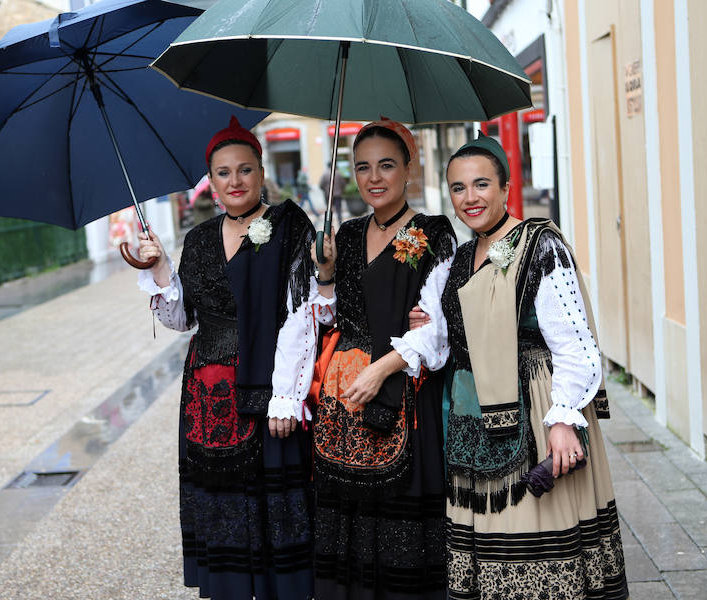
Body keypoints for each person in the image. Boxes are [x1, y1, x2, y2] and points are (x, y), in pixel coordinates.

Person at [411, 133, 629, 599]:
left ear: (508, 187)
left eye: (482, 184)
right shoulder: (462, 257)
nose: (470, 198)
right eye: (458, 187)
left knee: (538, 536)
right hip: (471, 419)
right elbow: (461, 337)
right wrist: (432, 323)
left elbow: (577, 347)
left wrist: (564, 421)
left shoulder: (539, 245)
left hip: (534, 410)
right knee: (488, 549)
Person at [135, 116, 317, 600]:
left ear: (261, 173)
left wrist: (287, 394)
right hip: (207, 397)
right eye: (222, 172)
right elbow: (181, 318)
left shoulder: (290, 224)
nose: (234, 181)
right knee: (223, 513)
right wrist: (158, 268)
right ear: (210, 182)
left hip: (271, 386)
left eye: (244, 170)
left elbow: (304, 311)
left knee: (274, 506)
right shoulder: (196, 240)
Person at [310, 117, 457, 599]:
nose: (374, 177)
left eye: (387, 165)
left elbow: (438, 326)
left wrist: (383, 367)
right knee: (349, 524)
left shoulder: (434, 234)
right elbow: (329, 318)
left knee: (402, 521)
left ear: (409, 169)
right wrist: (326, 274)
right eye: (363, 167)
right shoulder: (345, 235)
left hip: (404, 394)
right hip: (345, 403)